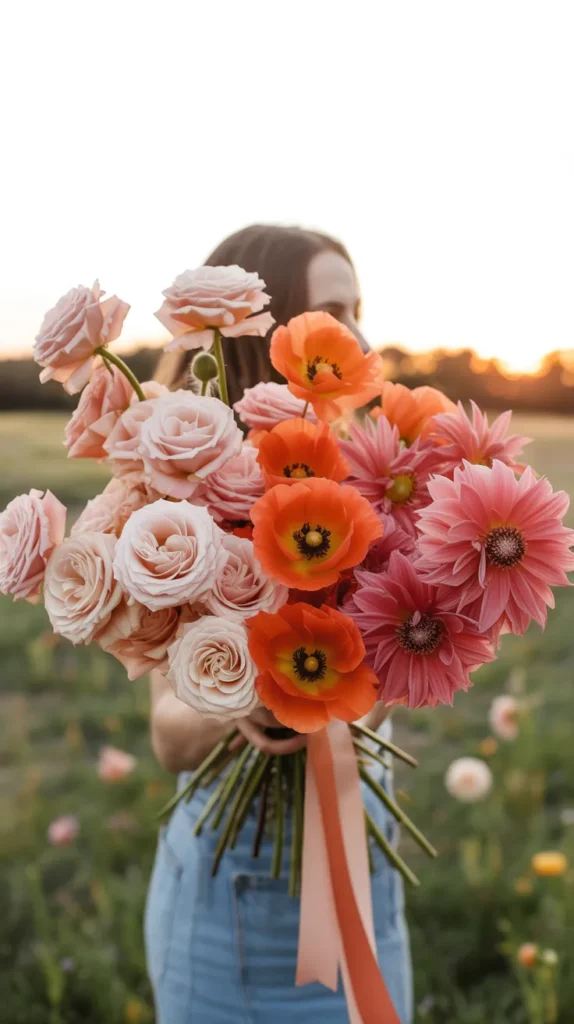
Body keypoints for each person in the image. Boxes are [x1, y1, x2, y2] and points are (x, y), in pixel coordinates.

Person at [145, 224, 413, 1023]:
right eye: (335, 310)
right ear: (269, 334)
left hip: (367, 884)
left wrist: (359, 675)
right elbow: (166, 733)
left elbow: (392, 690)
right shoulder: (182, 504)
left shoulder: (381, 478)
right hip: (229, 912)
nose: (361, 336)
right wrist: (255, 695)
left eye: (359, 308)